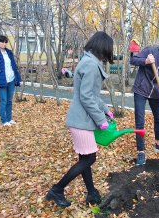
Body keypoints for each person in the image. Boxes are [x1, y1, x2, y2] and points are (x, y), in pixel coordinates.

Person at [46, 32, 115, 208]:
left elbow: (92, 95)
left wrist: (106, 110)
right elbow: (86, 97)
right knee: (89, 159)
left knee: (85, 158)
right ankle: (57, 189)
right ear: (103, 48)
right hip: (82, 121)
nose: (109, 55)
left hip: (80, 119)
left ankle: (91, 193)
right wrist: (101, 120)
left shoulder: (88, 61)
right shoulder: (91, 65)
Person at [0, 35, 22, 126]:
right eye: (2, 42)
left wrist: (17, 78)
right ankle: (4, 120)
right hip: (1, 81)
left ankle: (9, 119)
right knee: (4, 100)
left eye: (5, 42)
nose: (4, 44)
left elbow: (13, 66)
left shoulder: (9, 52)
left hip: (11, 79)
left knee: (9, 100)